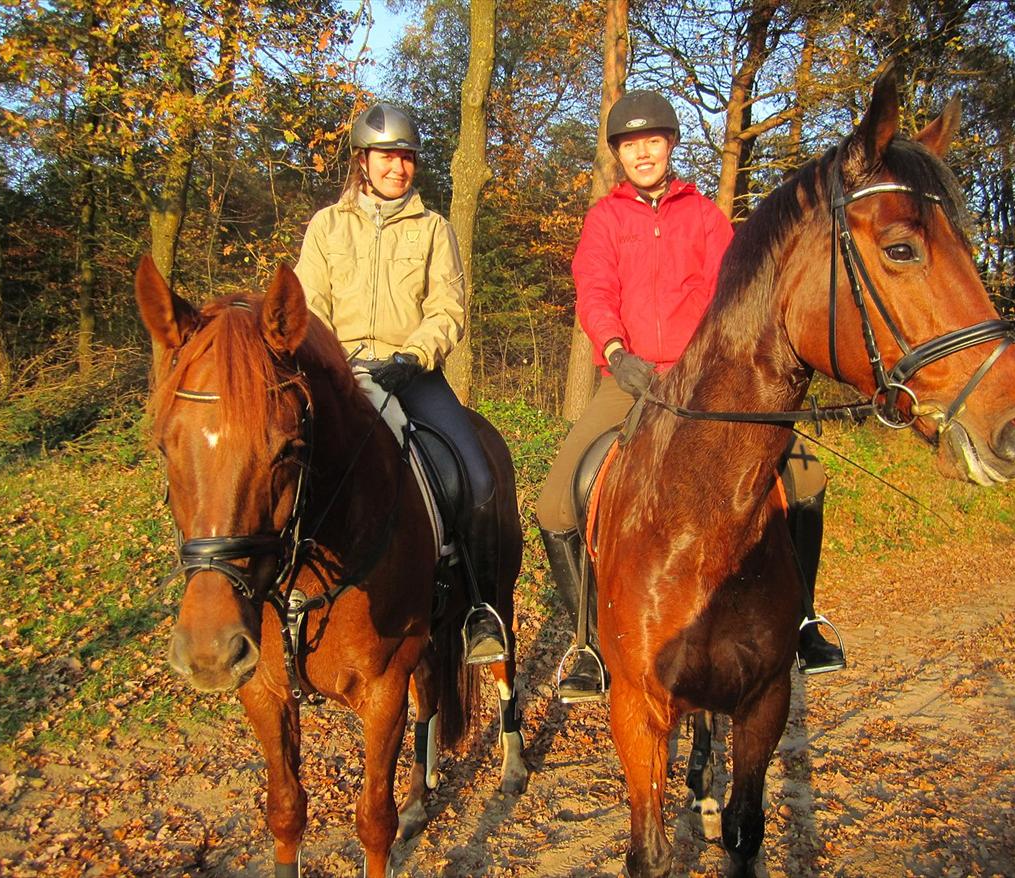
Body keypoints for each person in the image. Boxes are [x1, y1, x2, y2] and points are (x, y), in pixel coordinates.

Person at [536, 89, 845, 704]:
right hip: (629, 382)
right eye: (631, 144)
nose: (643, 153)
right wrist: (618, 354)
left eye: (653, 141)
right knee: (554, 506)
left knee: (806, 482)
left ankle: (805, 621)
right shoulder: (604, 221)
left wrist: (709, 367)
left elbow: (734, 298)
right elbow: (594, 291)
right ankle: (591, 642)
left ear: (671, 145)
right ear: (619, 155)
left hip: (704, 383)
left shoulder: (707, 218)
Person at [294, 101, 505, 664]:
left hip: (412, 374)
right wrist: (331, 363)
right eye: (388, 155)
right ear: (363, 161)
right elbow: (308, 306)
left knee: (479, 479)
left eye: (407, 157)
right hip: (338, 376)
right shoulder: (326, 226)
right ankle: (273, 603)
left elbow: (447, 306)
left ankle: (481, 610)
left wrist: (412, 357)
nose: (398, 167)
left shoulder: (435, 228)